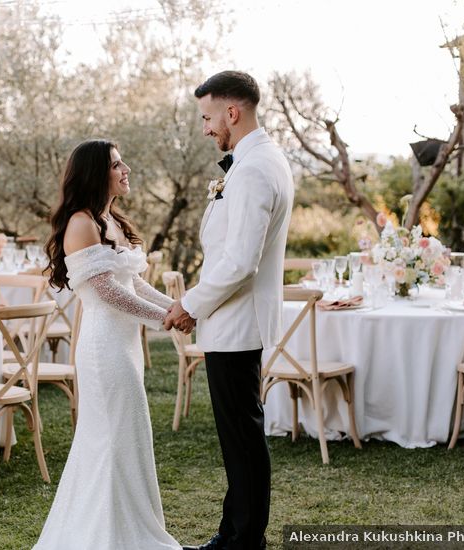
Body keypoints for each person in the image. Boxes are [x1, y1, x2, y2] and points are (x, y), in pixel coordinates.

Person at [164, 71, 294, 550]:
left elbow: (241, 261)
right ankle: (233, 534)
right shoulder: (257, 160)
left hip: (238, 326)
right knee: (240, 439)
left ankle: (242, 541)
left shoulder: (256, 168)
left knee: (242, 439)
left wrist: (190, 305)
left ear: (231, 113)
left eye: (207, 117)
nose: (205, 128)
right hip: (236, 324)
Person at [35, 139, 180, 550]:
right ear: (98, 173)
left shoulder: (108, 220)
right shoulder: (81, 223)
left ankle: (129, 528)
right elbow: (106, 294)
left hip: (124, 345)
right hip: (104, 348)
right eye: (117, 164)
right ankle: (106, 536)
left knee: (129, 435)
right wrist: (164, 319)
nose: (126, 169)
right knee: (112, 438)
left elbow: (131, 283)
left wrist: (180, 307)